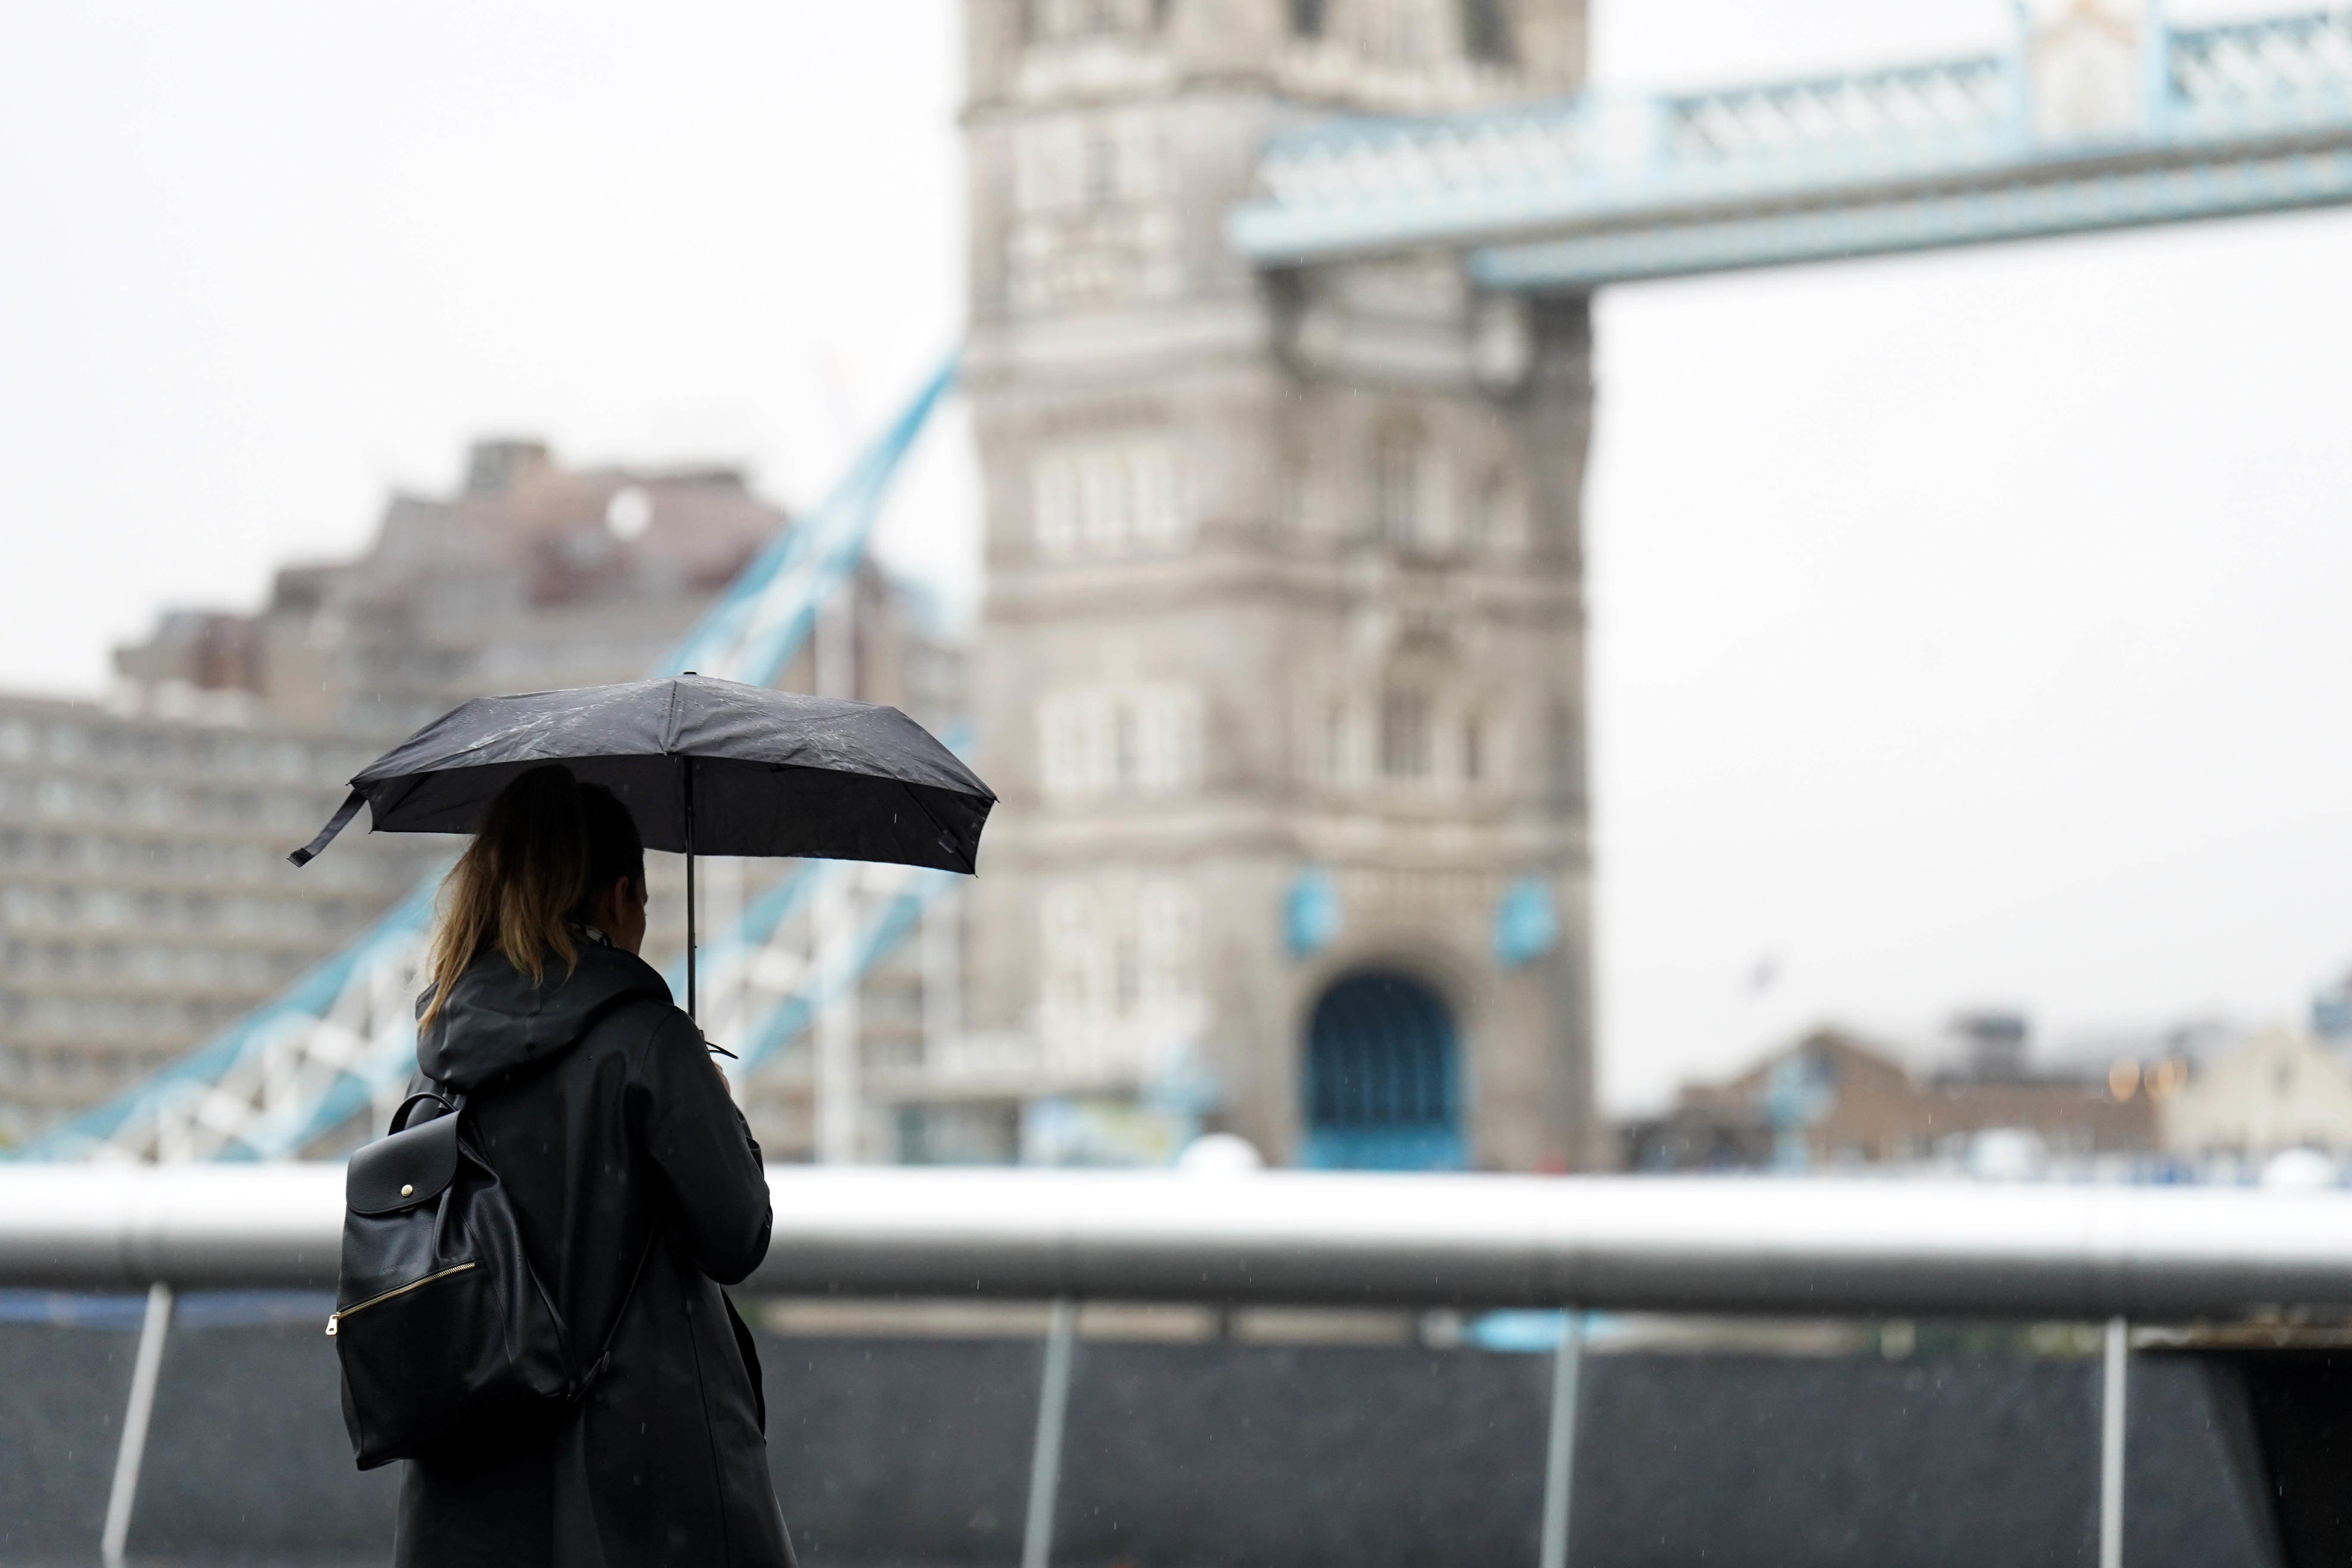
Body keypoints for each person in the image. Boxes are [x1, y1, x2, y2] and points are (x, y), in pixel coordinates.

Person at [392, 764, 794, 1568]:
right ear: (619, 898)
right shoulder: (646, 1040)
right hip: (645, 1473)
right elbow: (738, 1234)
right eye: (642, 901)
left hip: (476, 1472)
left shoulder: (441, 1049)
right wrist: (713, 1095)